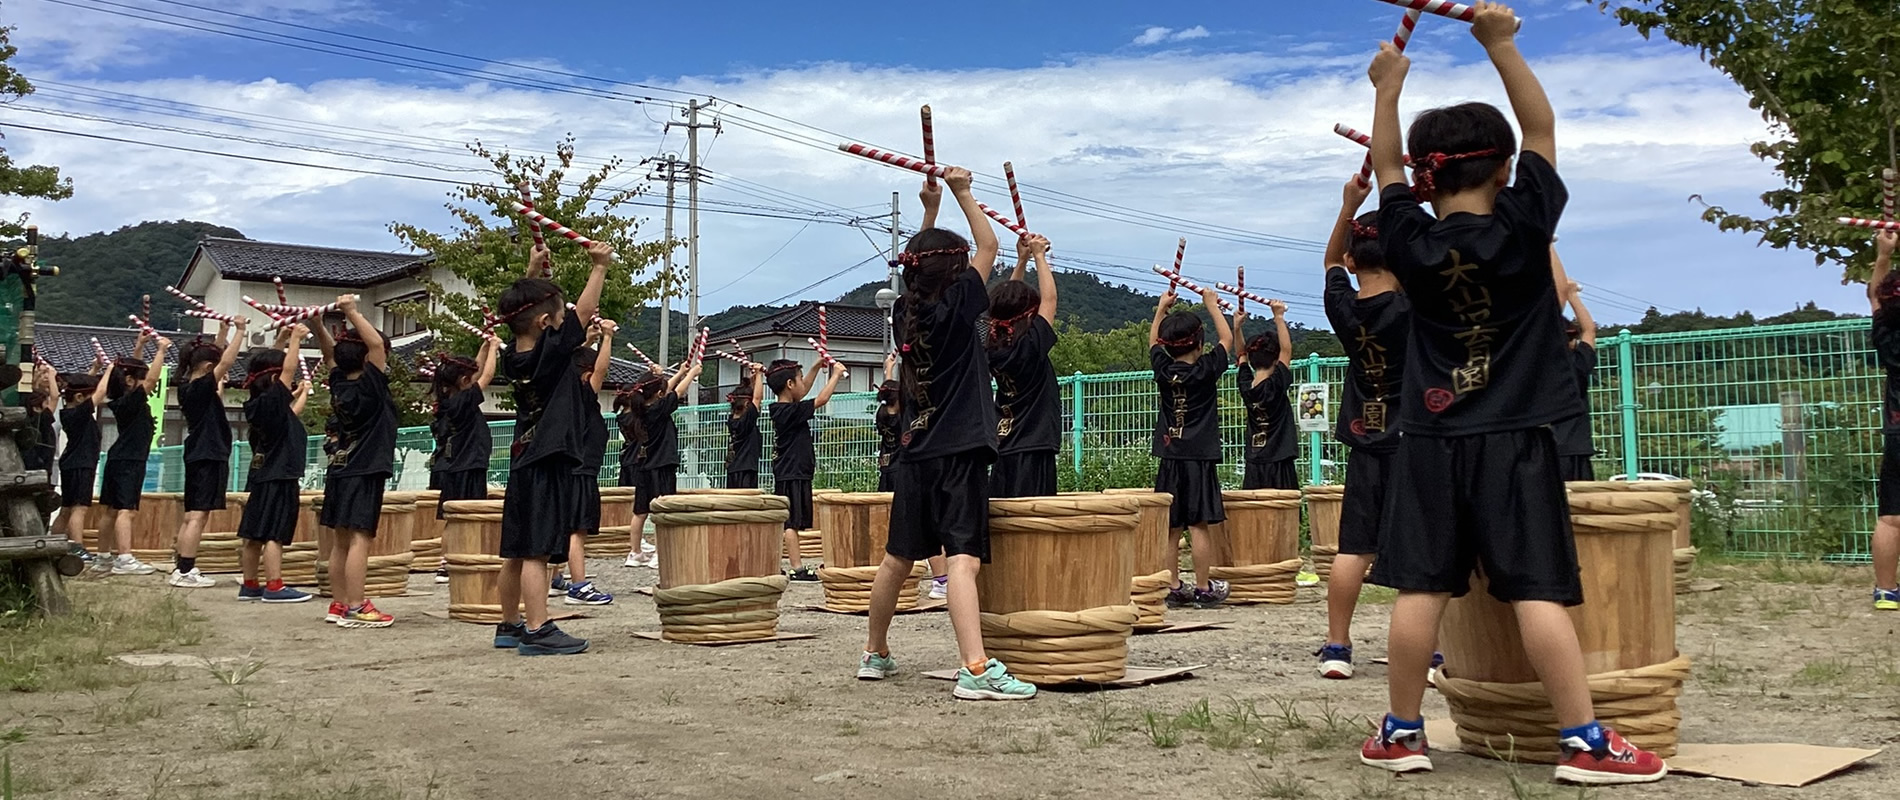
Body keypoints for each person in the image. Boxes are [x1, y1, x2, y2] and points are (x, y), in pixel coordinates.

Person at [1357, 3, 1665, 783]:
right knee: (1536, 592)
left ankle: (1401, 733)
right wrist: (1499, 45)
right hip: (1518, 437)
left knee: (1421, 588)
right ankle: (1583, 742)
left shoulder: (1407, 238)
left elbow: (1385, 170)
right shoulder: (1526, 227)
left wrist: (1387, 89)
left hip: (1428, 440)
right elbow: (1542, 131)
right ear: (1503, 170)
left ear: (1426, 180)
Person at [857, 169, 1036, 700]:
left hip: (915, 450)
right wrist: (962, 192)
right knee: (962, 558)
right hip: (959, 450)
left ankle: (874, 653)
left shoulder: (902, 312)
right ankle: (975, 668)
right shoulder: (961, 305)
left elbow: (924, 265)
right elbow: (989, 244)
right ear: (956, 272)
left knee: (898, 558)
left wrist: (930, 212)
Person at [491, 240, 612, 655]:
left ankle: (509, 624)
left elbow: (524, 313)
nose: (566, 323)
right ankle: (539, 628)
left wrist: (531, 272)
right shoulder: (553, 353)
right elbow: (584, 311)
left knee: (516, 550)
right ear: (546, 323)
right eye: (559, 318)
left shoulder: (512, 356)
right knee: (537, 551)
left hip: (524, 457)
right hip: (548, 459)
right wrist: (599, 266)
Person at [1315, 176, 1411, 681]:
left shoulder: (1343, 307)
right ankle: (1431, 653)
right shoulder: (1414, 308)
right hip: (1414, 441)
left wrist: (1348, 206)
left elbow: (1330, 262)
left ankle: (1337, 647)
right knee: (1423, 551)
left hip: (1363, 440)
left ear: (1354, 262)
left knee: (1353, 548)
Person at [313, 296, 399, 630]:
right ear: (366, 358)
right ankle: (357, 605)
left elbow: (328, 355)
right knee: (360, 538)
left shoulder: (339, 383)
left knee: (341, 540)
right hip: (364, 470)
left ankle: (339, 603)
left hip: (339, 469)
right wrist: (351, 312)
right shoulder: (371, 384)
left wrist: (318, 325)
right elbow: (375, 344)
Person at [1149, 284, 1235, 610]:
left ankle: (1173, 585)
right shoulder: (1206, 369)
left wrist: (1161, 308)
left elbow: (1153, 343)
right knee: (1198, 524)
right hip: (1199, 457)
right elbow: (1226, 340)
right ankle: (1202, 587)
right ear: (1200, 343)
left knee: (1172, 526)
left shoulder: (1162, 369)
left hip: (1170, 456)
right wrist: (1212, 305)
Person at [235, 324, 313, 604]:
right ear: (274, 379)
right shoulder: (272, 400)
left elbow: (290, 408)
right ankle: (275, 586)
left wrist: (280, 340)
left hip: (262, 475)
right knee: (274, 533)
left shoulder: (259, 404)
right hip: (280, 475)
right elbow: (287, 369)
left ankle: (250, 584)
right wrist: (296, 340)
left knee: (254, 532)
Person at [170, 318, 247, 589]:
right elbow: (225, 362)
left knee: (192, 514)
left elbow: (216, 359)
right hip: (208, 453)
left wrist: (223, 333)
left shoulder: (187, 387)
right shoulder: (201, 386)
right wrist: (240, 331)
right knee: (198, 515)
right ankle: (184, 570)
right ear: (207, 368)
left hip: (197, 452)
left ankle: (182, 566)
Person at [987, 233, 1059, 498]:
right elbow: (1050, 301)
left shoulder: (991, 347)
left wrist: (1022, 261)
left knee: (1003, 513)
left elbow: (1007, 302)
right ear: (1030, 315)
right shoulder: (1030, 347)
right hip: (1034, 443)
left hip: (1004, 444)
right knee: (1034, 515)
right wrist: (1039, 256)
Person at [554, 319, 619, 606]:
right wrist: (607, 337)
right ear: (586, 375)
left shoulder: (563, 392)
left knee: (564, 525)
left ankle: (556, 577)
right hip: (581, 470)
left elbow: (571, 363)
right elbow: (600, 370)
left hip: (570, 469)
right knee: (576, 530)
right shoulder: (582, 394)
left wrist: (588, 340)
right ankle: (579, 586)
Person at [876, 352, 948, 600]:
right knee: (928, 526)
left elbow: (889, 393)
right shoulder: (905, 418)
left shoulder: (882, 415)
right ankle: (941, 579)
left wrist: (889, 369)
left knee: (900, 528)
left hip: (886, 472)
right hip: (904, 472)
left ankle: (930, 573)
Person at [427, 335, 499, 583]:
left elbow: (475, 374)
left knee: (452, 517)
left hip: (453, 466)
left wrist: (484, 346)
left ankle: (445, 562)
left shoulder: (448, 400)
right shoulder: (463, 400)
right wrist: (494, 349)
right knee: (465, 516)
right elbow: (486, 376)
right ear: (463, 381)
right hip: (467, 464)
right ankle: (457, 560)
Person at [97, 333, 170, 577]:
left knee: (110, 509)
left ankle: (103, 557)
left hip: (118, 458)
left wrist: (139, 346)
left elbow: (134, 373)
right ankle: (125, 558)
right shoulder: (132, 400)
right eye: (139, 378)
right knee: (125, 509)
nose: (146, 383)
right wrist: (161, 350)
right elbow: (151, 380)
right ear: (130, 381)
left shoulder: (122, 399)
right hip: (130, 460)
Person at [616, 358, 700, 569]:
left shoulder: (640, 410)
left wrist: (680, 372)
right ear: (658, 395)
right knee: (663, 510)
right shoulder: (658, 410)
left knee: (640, 511)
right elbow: (677, 392)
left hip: (643, 465)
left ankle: (635, 552)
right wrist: (691, 374)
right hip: (662, 465)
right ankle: (659, 553)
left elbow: (667, 390)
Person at [767, 357, 842, 581]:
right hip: (792, 471)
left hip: (792, 470)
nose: (803, 383)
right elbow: (821, 399)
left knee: (793, 520)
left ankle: (790, 565)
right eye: (800, 379)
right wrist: (836, 375)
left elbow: (803, 391)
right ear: (790, 384)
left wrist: (815, 367)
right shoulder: (787, 411)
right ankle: (797, 568)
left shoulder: (786, 407)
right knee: (791, 522)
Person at [1867, 229, 1899, 612]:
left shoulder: (1887, 335)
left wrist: (1884, 256)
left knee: (1891, 518)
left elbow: (1875, 296)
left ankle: (1887, 593)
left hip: (1898, 432)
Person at [1234, 299, 1297, 490]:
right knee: (1283, 506)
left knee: (1253, 506)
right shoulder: (1276, 384)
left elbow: (1240, 355)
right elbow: (1286, 350)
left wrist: (1237, 328)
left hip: (1254, 461)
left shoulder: (1246, 386)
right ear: (1276, 359)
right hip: (1279, 460)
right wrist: (1279, 317)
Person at [1552, 254, 1598, 482]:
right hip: (1575, 447)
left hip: (1540, 447)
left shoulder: (1537, 364)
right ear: (1572, 341)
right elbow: (1589, 330)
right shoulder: (1578, 364)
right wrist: (1572, 295)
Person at [55, 369, 103, 557]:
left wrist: (95, 370)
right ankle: (77, 547)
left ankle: (52, 544)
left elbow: (85, 388)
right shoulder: (79, 413)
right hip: (81, 464)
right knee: (79, 508)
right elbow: (100, 392)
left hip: (72, 463)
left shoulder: (71, 411)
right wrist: (110, 370)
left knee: (66, 508)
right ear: (79, 397)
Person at [726, 365, 764, 490]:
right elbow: (757, 398)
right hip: (746, 470)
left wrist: (754, 379)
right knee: (747, 500)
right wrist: (759, 374)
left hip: (733, 470)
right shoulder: (747, 421)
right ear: (748, 404)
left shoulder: (732, 420)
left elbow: (755, 398)